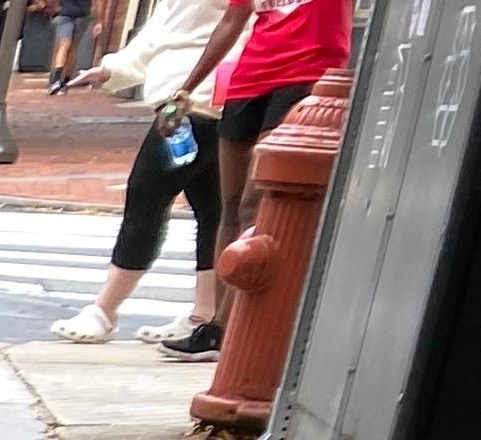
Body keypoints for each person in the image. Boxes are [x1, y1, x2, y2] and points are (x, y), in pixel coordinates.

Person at [144, 0, 350, 356]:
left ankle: (227, 327)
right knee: (232, 207)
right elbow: (232, 20)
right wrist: (184, 91)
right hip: (249, 78)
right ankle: (215, 328)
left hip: (305, 77)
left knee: (256, 205)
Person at [52, 0, 226, 342]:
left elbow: (237, 25)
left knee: (147, 197)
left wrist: (185, 92)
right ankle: (203, 314)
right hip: (194, 101)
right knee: (211, 210)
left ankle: (105, 309)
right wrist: (111, 70)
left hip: (194, 104)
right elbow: (163, 31)